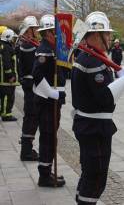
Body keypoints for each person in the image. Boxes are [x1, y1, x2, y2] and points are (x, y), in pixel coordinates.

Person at [71, 11, 124, 205]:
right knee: (95, 176)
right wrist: (123, 80)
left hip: (93, 126)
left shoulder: (95, 57)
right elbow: (105, 98)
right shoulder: (92, 61)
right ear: (96, 36)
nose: (110, 37)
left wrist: (119, 77)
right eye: (106, 34)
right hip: (93, 127)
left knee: (91, 173)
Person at [32, 14, 66, 187]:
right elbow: (37, 76)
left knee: (51, 137)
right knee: (47, 138)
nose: (58, 35)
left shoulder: (52, 48)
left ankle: (47, 170)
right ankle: (44, 176)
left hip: (53, 101)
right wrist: (52, 94)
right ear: (48, 33)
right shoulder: (44, 50)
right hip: (47, 102)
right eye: (55, 32)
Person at [17, 16, 39, 161]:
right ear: (29, 30)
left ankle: (27, 148)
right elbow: (35, 69)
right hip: (31, 86)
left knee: (30, 117)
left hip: (28, 85)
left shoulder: (24, 44)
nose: (37, 31)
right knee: (31, 118)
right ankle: (26, 151)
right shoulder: (29, 47)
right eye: (34, 29)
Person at [0, 28, 19, 121]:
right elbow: (7, 63)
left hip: (4, 77)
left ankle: (5, 112)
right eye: (12, 38)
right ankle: (6, 115)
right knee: (8, 96)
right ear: (8, 37)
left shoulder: (3, 46)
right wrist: (10, 76)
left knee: (5, 96)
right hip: (7, 79)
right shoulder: (6, 48)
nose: (13, 40)